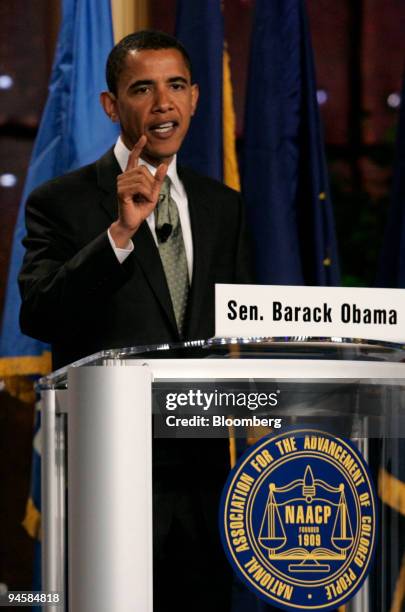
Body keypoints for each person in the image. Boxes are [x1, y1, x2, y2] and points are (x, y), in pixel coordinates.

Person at [19, 30, 252, 611]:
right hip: (110, 474)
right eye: (142, 89)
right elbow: (40, 311)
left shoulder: (224, 206)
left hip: (204, 480)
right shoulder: (63, 201)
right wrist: (120, 233)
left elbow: (238, 329)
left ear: (196, 98)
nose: (163, 104)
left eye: (175, 86)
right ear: (111, 105)